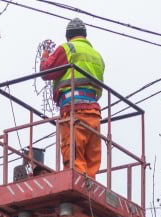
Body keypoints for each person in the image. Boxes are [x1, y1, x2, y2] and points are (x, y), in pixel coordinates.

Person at [39, 18, 105, 178]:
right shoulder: (97, 56)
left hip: (73, 111)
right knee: (91, 162)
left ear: (68, 36)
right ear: (85, 36)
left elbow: (46, 72)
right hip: (94, 113)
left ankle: (80, 188)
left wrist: (45, 56)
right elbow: (99, 88)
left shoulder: (67, 49)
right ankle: (89, 191)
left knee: (74, 159)